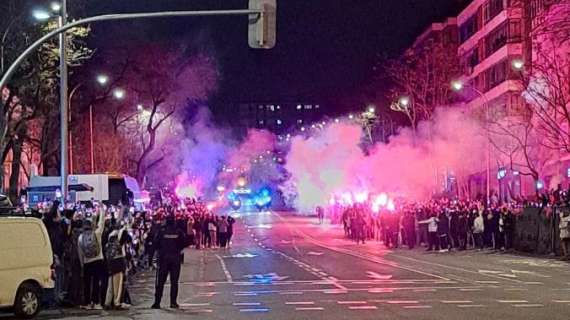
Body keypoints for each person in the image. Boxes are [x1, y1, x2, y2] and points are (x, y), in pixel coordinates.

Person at [151, 215, 186, 309]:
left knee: (160, 281)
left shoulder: (161, 231)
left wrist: (156, 255)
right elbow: (184, 243)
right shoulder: (178, 232)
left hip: (163, 259)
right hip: (175, 258)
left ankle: (157, 302)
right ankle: (173, 302)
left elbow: (155, 243)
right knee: (174, 282)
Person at [78, 207, 106, 310]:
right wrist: (102, 211)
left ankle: (87, 303)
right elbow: (101, 223)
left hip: (87, 262)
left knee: (87, 284)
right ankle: (96, 303)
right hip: (98, 260)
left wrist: (82, 264)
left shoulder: (80, 237)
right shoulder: (97, 233)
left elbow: (80, 253)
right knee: (96, 283)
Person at [104, 221, 130, 309]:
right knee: (118, 284)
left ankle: (107, 302)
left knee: (110, 284)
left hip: (110, 262)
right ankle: (117, 302)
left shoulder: (108, 239)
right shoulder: (120, 238)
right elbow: (127, 238)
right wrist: (125, 228)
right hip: (118, 261)